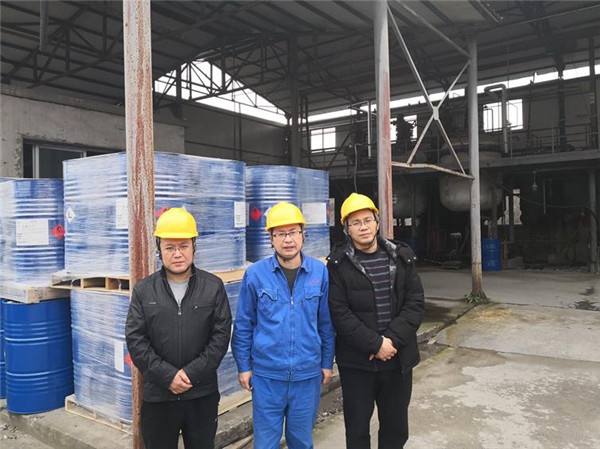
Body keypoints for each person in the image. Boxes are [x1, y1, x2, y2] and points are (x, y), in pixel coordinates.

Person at [125, 207, 232, 449]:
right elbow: (136, 339)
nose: (177, 254)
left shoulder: (213, 287)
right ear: (159, 249)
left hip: (201, 394)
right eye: (169, 247)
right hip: (159, 396)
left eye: (183, 246)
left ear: (194, 246)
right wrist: (168, 376)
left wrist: (192, 373)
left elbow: (220, 336)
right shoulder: (144, 290)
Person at [232, 201, 335, 449]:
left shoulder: (319, 272)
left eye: (293, 232)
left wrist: (326, 362)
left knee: (301, 441)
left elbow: (326, 323)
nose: (288, 239)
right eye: (280, 233)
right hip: (267, 375)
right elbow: (244, 324)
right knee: (265, 443)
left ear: (303, 234)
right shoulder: (256, 274)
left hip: (307, 374)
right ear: (271, 239)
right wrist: (244, 366)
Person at [327, 193, 425, 449]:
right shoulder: (337, 265)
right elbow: (339, 312)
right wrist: (374, 344)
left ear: (377, 223)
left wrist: (390, 341)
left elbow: (415, 303)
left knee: (395, 429)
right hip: (357, 364)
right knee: (357, 431)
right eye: (356, 222)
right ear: (347, 229)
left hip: (397, 359)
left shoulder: (402, 257)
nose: (363, 227)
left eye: (368, 220)